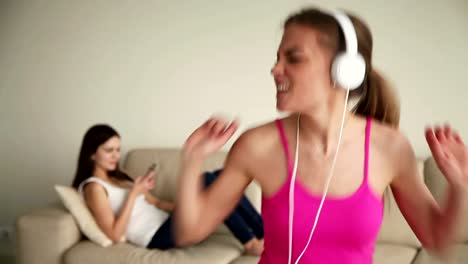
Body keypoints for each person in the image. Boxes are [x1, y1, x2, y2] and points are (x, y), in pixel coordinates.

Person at [174, 6, 468, 264]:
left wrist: (460, 187)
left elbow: (436, 240)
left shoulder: (390, 148)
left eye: (294, 58)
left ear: (344, 71)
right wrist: (191, 160)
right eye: (278, 58)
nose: (275, 69)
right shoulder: (257, 146)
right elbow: (190, 231)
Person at [71, 124, 264, 254]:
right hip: (156, 237)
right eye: (108, 150)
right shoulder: (93, 187)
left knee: (222, 176)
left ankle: (264, 231)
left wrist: (190, 206)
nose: (115, 156)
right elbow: (113, 234)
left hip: (171, 223)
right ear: (92, 154)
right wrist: (133, 195)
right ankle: (250, 242)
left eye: (117, 149)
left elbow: (156, 202)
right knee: (207, 180)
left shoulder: (120, 177)